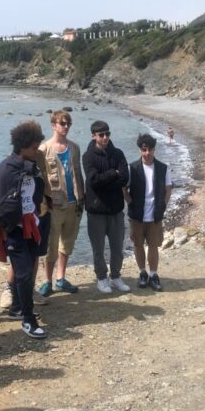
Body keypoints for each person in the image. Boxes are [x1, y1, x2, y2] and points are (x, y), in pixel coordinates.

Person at [0, 121, 47, 338]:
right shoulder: (6, 170)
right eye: (34, 147)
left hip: (31, 226)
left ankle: (18, 308)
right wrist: (8, 227)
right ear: (23, 146)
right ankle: (28, 320)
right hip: (15, 230)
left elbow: (33, 195)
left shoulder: (30, 167)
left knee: (28, 271)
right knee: (23, 275)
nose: (37, 151)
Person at [36, 110, 84, 298]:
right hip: (54, 205)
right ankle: (47, 281)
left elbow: (78, 175)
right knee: (51, 244)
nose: (66, 127)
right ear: (53, 125)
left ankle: (60, 278)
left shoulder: (75, 148)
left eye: (68, 123)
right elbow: (41, 179)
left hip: (74, 203)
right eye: (62, 123)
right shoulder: (43, 149)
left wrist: (82, 199)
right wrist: (43, 205)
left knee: (67, 243)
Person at [82, 120, 130, 294]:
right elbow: (93, 181)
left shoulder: (118, 154)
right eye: (101, 135)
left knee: (117, 247)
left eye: (107, 134)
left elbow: (124, 178)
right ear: (93, 136)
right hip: (96, 211)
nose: (105, 137)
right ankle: (101, 278)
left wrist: (107, 180)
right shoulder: (88, 156)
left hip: (116, 210)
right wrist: (112, 173)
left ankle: (115, 276)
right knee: (98, 249)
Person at [124, 134, 172, 292]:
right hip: (137, 215)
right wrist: (130, 202)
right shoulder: (132, 168)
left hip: (155, 214)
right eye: (144, 150)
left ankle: (154, 274)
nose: (147, 153)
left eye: (150, 149)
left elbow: (168, 189)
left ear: (154, 149)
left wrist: (163, 205)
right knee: (138, 244)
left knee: (153, 245)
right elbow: (124, 188)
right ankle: (142, 273)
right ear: (140, 150)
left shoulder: (163, 168)